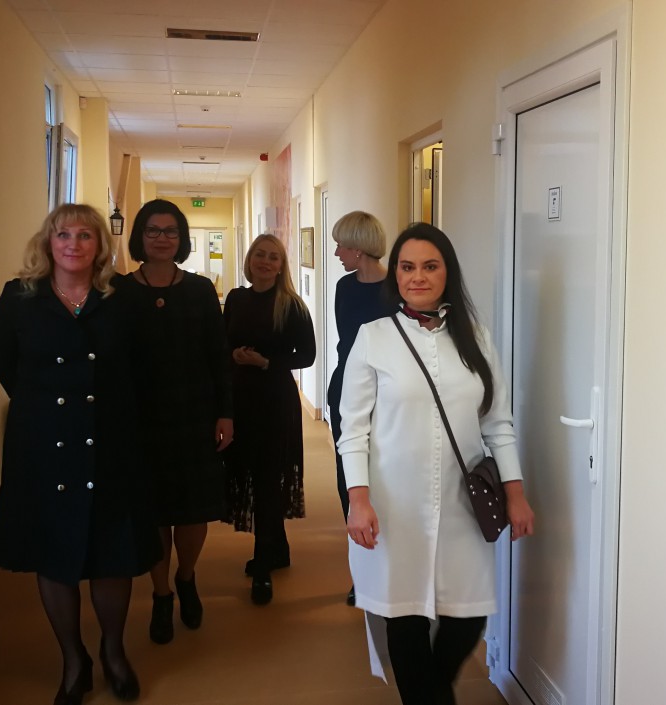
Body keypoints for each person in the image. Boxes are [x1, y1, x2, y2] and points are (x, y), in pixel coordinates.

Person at [338, 223, 535, 705]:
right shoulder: (374, 338)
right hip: (394, 505)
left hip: (461, 504)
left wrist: (515, 494)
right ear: (396, 275)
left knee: (467, 617)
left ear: (448, 273)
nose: (418, 277)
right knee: (404, 617)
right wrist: (358, 500)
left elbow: (498, 424)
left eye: (430, 266)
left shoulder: (476, 339)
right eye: (407, 267)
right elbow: (353, 430)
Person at [0, 203, 158, 705]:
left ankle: (113, 650)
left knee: (112, 555)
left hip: (111, 440)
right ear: (48, 242)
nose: (73, 244)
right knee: (53, 552)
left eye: (85, 235)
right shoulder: (19, 297)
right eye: (64, 234)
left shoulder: (124, 298)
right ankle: (72, 659)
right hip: (44, 443)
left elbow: (144, 368)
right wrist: (46, 404)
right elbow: (4, 363)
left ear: (100, 245)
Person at [117, 199, 233, 645]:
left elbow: (218, 356)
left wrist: (225, 412)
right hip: (140, 420)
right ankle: (162, 594)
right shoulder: (119, 292)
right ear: (140, 237)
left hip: (194, 414)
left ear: (181, 238)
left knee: (191, 510)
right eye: (153, 230)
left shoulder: (200, 290)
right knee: (153, 512)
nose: (162, 238)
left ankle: (186, 576)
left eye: (170, 231)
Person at [223, 233, 316, 605]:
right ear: (249, 260)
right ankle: (278, 549)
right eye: (259, 255)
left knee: (267, 478)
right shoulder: (236, 298)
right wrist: (233, 355)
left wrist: (265, 362)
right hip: (240, 399)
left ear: (281, 266)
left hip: (274, 401)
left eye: (273, 257)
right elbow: (221, 342)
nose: (265, 261)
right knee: (252, 472)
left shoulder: (291, 305)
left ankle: (263, 565)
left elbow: (306, 355)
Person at [326, 211, 395, 606]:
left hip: (388, 395)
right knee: (349, 480)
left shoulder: (397, 288)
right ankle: (362, 570)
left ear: (358, 248)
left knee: (384, 477)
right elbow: (347, 345)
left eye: (341, 246)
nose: (337, 253)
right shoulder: (344, 287)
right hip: (347, 391)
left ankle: (389, 565)